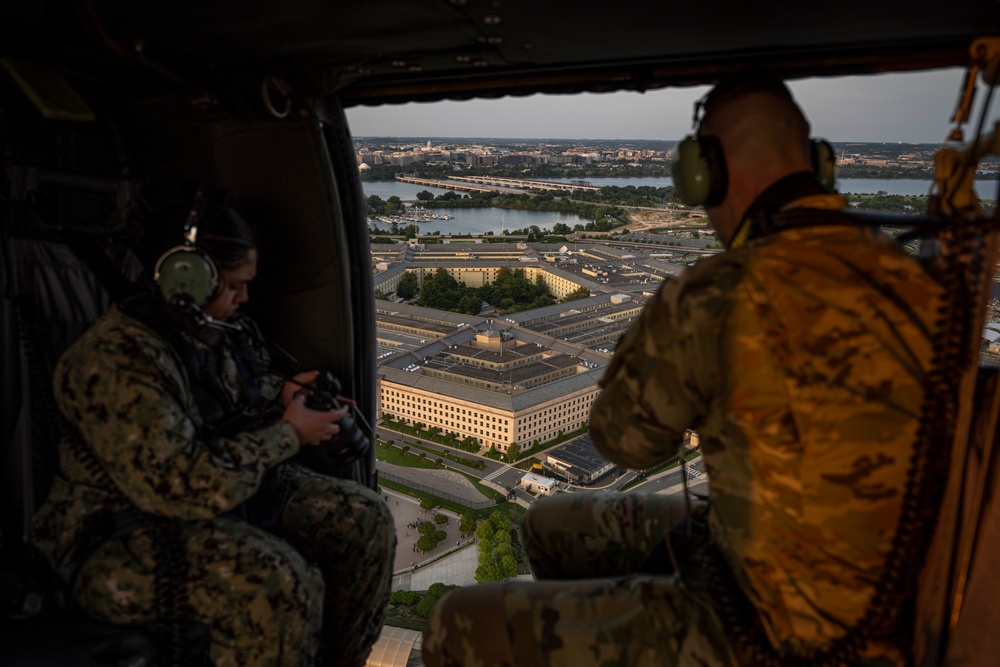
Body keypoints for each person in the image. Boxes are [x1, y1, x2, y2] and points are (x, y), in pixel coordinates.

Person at [423, 71, 943, 666]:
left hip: (771, 623)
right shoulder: (921, 281)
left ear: (705, 175)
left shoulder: (714, 294)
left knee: (456, 624)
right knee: (550, 519)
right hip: (912, 588)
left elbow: (623, 441)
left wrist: (660, 344)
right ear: (819, 167)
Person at [31, 192, 396, 667]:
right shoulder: (118, 361)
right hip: (112, 539)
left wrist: (281, 395)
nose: (244, 298)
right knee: (275, 583)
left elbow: (227, 393)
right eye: (235, 286)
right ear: (188, 276)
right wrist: (289, 433)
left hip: (214, 499)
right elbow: (181, 487)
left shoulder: (207, 332)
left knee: (366, 519)